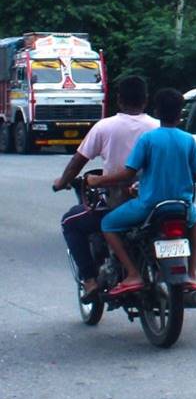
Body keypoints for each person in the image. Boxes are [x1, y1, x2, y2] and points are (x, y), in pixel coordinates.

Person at [87, 88, 196, 297]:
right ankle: (193, 274)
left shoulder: (148, 139)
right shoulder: (188, 140)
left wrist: (98, 180)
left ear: (157, 111)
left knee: (108, 224)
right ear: (181, 114)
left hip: (150, 206)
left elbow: (128, 173)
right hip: (182, 207)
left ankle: (133, 273)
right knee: (195, 224)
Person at [53, 76, 159, 302]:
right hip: (153, 200)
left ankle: (90, 281)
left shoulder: (105, 127)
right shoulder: (158, 127)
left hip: (119, 201)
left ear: (119, 100)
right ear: (146, 100)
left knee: (70, 222)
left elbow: (77, 162)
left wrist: (61, 182)